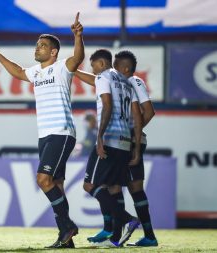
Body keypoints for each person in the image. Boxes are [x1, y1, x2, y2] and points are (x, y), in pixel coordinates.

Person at [0, 12, 84, 249]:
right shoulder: (36, 73)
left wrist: (78, 36)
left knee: (43, 179)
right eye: (36, 45)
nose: (36, 49)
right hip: (45, 135)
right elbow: (18, 71)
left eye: (42, 46)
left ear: (53, 52)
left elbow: (77, 57)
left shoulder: (62, 68)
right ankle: (66, 238)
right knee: (56, 184)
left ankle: (68, 226)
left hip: (61, 132)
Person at [76, 50, 158, 247]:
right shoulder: (116, 80)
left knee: (134, 188)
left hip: (126, 141)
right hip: (124, 141)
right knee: (114, 186)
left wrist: (133, 138)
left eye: (117, 65)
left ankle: (147, 234)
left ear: (126, 68)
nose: (114, 69)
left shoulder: (134, 82)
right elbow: (97, 79)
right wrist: (73, 70)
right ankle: (112, 233)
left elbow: (147, 112)